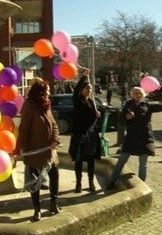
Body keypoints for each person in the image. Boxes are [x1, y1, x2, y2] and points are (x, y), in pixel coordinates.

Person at [12, 78, 61, 222]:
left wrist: (54, 140)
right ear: (40, 92)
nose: (48, 94)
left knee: (54, 175)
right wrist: (18, 149)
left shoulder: (46, 105)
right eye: (47, 92)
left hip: (49, 151)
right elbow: (24, 129)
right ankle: (37, 209)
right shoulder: (29, 105)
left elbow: (54, 124)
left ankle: (53, 203)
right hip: (34, 150)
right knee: (34, 182)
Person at [107, 86, 162, 188]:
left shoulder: (147, 105)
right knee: (122, 160)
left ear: (143, 95)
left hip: (145, 138)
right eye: (135, 93)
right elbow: (121, 120)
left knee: (143, 164)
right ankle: (112, 181)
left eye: (140, 93)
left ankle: (141, 186)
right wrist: (127, 117)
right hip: (131, 138)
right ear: (132, 95)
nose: (138, 95)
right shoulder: (128, 105)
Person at [68, 68, 101, 193]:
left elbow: (93, 120)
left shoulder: (92, 102)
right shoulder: (78, 101)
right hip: (79, 135)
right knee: (79, 161)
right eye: (87, 88)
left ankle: (91, 182)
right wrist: (83, 77)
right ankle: (78, 184)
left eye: (90, 89)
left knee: (91, 161)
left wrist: (97, 115)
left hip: (90, 135)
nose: (89, 90)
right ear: (82, 90)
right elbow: (75, 92)